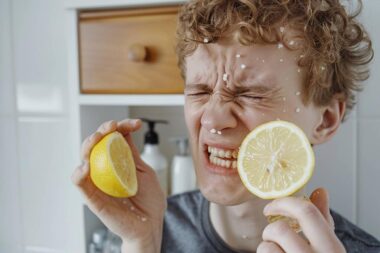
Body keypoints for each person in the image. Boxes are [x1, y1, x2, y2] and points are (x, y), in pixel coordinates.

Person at [72, 0, 380, 252]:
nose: (211, 119)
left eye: (251, 94)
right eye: (200, 91)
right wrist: (142, 243)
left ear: (326, 120)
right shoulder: (150, 227)